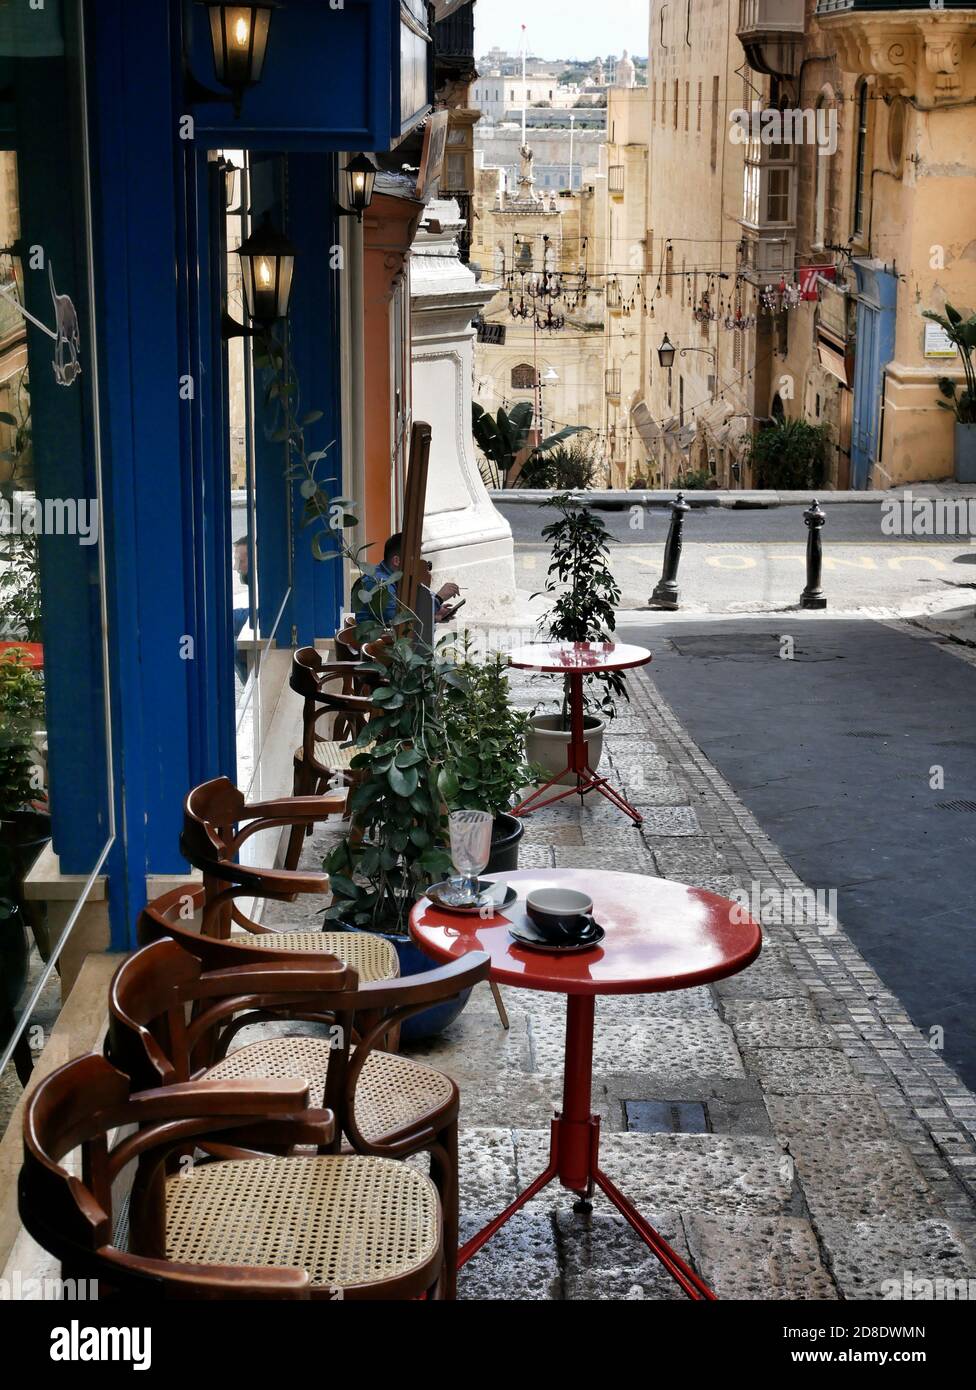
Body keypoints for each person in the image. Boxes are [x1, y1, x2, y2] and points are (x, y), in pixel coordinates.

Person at [355, 532, 461, 626]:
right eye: (416, 559)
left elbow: (407, 612)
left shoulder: (393, 578)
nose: (421, 565)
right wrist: (438, 599)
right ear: (397, 561)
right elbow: (399, 621)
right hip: (378, 646)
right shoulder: (379, 583)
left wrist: (434, 613)